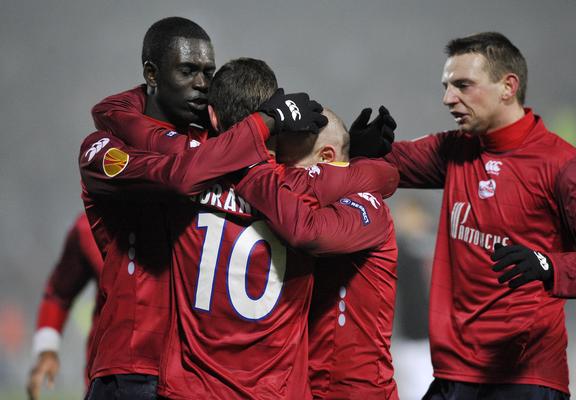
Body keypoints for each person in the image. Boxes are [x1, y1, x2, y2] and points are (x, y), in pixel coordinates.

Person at [85, 57, 398, 399]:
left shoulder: (189, 171)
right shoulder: (303, 188)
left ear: (213, 117)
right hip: (276, 391)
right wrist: (354, 159)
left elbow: (132, 125)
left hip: (189, 387)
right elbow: (383, 177)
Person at [80, 17, 326, 400]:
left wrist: (351, 156)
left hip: (194, 372)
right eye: (188, 71)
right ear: (152, 73)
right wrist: (265, 121)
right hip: (134, 363)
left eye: (208, 72)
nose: (202, 83)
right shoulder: (103, 148)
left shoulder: (215, 146)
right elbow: (178, 175)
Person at [355, 31, 576, 399]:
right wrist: (357, 147)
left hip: (524, 378)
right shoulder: (455, 150)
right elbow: (385, 163)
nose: (448, 98)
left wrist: (550, 266)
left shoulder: (564, 167)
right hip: (453, 375)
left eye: (463, 85)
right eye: (447, 87)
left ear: (508, 87)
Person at [234, 108, 400, 399]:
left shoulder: (367, 206)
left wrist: (253, 169)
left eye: (289, 164)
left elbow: (309, 233)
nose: (282, 177)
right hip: (302, 384)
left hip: (356, 391)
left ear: (326, 158)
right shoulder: (301, 207)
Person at [26, 212, 102, 400]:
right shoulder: (90, 226)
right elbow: (59, 292)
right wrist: (47, 348)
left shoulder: (176, 220)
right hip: (107, 377)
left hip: (171, 376)